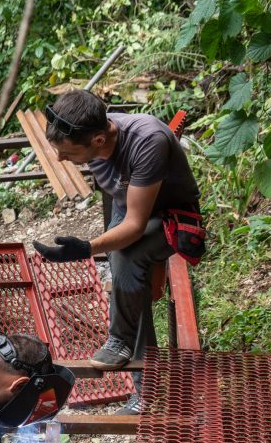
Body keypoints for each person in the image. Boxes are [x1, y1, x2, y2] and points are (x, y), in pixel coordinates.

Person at [33, 89, 202, 415]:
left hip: (175, 218)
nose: (59, 159)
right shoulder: (94, 142)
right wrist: (101, 243)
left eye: (66, 153)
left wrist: (88, 248)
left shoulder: (146, 140)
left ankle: (120, 342)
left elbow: (136, 226)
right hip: (131, 206)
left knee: (126, 256)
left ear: (98, 140)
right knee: (128, 278)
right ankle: (145, 395)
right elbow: (122, 205)